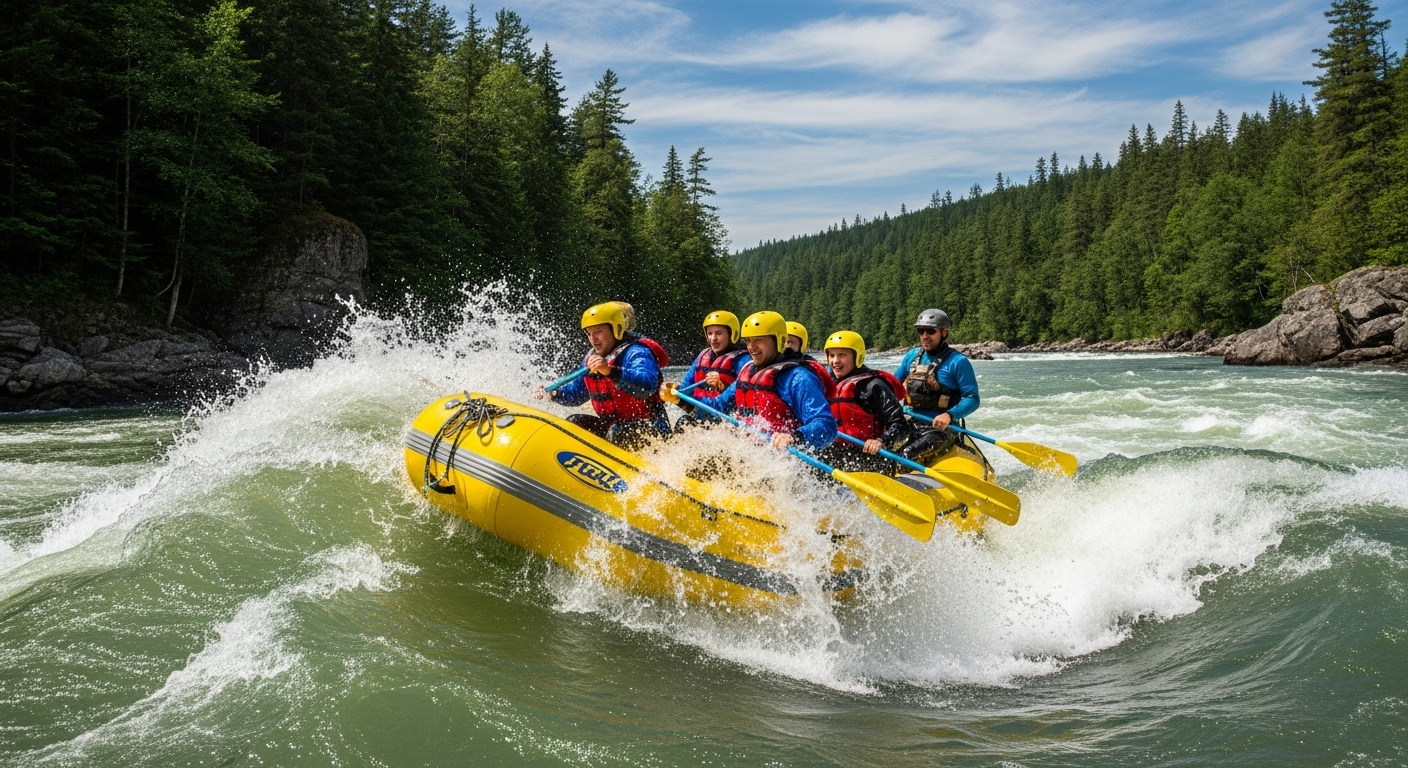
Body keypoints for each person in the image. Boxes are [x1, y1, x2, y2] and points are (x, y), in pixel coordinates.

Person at [662, 311, 836, 452]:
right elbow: (718, 409)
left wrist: (793, 437)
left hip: (782, 457)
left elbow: (826, 424)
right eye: (748, 341)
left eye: (758, 340)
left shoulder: (798, 377)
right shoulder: (747, 371)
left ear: (778, 340)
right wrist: (681, 400)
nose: (751, 347)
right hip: (748, 450)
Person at [534, 302, 670, 450]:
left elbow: (646, 386)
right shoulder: (591, 359)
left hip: (651, 431)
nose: (593, 339)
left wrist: (610, 372)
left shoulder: (638, 352)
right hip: (613, 428)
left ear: (616, 329)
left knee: (618, 432)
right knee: (574, 422)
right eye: (589, 333)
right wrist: (553, 394)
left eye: (598, 332)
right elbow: (576, 394)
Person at [818, 330, 912, 474]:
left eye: (842, 355)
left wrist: (881, 441)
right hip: (838, 455)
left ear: (857, 357)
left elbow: (901, 425)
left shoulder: (873, 385)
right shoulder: (828, 385)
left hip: (870, 459)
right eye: (831, 355)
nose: (835, 361)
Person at [894, 308, 979, 463]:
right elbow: (891, 387)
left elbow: (972, 398)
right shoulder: (911, 357)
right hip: (910, 422)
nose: (925, 336)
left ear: (944, 333)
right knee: (883, 446)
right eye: (921, 331)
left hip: (941, 430)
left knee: (906, 455)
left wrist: (949, 415)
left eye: (930, 331)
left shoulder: (958, 362)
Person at [674, 311, 750, 430]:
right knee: (683, 422)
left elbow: (745, 397)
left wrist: (723, 385)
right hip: (702, 419)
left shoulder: (744, 360)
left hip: (728, 424)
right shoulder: (703, 356)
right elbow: (684, 391)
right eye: (710, 333)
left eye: (719, 333)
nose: (713, 338)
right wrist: (673, 392)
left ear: (732, 334)